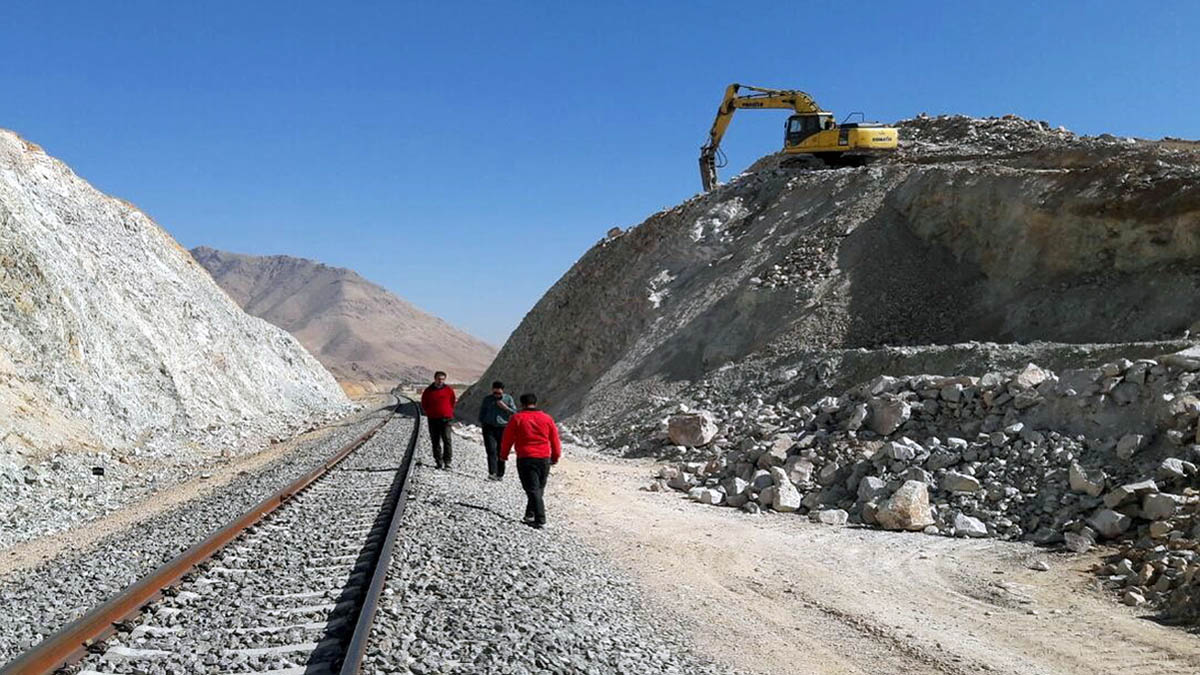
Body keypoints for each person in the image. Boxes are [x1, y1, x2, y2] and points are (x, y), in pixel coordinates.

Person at [499, 393, 561, 528]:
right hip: (544, 457)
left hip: (526, 457)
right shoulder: (547, 418)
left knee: (532, 489)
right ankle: (530, 514)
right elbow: (555, 439)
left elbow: (507, 439)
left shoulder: (517, 418)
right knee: (539, 488)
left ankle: (540, 519)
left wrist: (503, 455)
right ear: (536, 403)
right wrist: (555, 456)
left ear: (521, 404)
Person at [477, 380, 518, 481]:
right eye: (495, 392)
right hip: (488, 427)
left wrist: (505, 407)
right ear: (492, 390)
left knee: (501, 450)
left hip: (503, 428)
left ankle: (500, 473)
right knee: (491, 450)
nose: (496, 395)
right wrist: (482, 422)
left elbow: (514, 412)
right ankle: (492, 473)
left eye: (499, 393)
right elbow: (482, 412)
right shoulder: (487, 399)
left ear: (502, 391)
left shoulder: (508, 399)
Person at [420, 371, 456, 469]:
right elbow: (424, 403)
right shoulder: (428, 391)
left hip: (446, 419)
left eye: (443, 379)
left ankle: (447, 462)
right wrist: (430, 412)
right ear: (435, 379)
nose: (441, 381)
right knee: (435, 441)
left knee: (447, 439)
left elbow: (452, 401)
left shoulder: (449, 390)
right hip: (433, 419)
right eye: (439, 379)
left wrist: (447, 411)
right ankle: (438, 461)